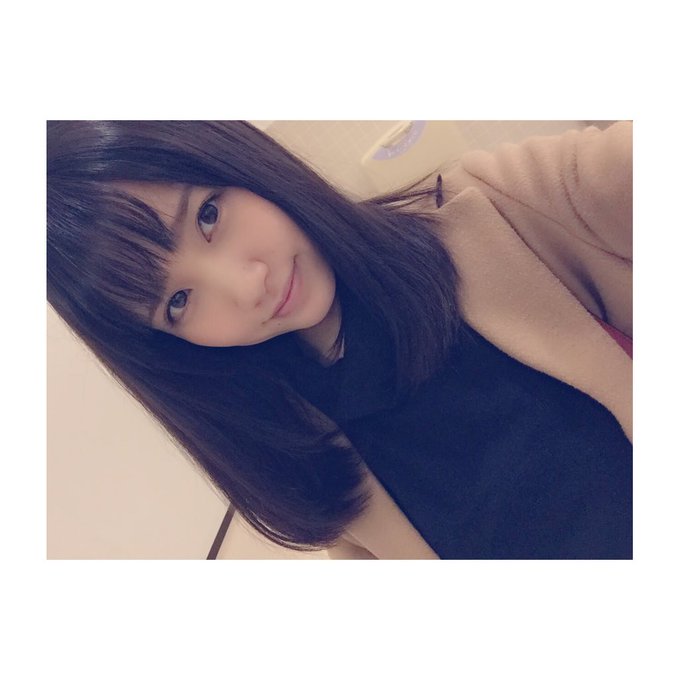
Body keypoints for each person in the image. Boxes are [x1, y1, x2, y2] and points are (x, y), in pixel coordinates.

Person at [47, 120, 632, 559]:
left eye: (208, 216)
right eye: (178, 302)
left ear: (240, 163)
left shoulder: (502, 206)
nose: (246, 286)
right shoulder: (300, 449)